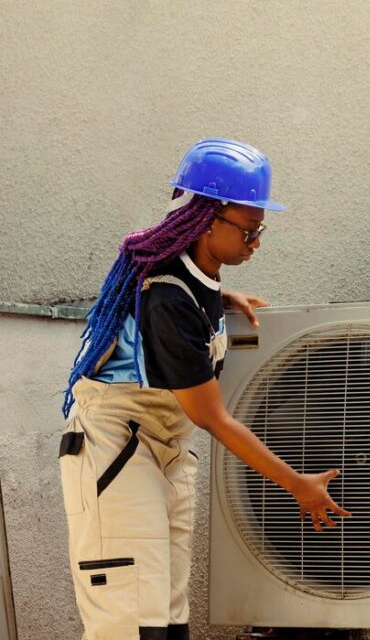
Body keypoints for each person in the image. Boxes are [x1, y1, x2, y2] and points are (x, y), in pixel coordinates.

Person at [58, 139, 351, 639]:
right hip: (116, 449)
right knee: (129, 623)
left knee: (168, 620)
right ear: (209, 219)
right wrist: (296, 484)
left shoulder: (197, 277)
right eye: (249, 230)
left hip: (163, 451)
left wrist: (222, 297)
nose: (255, 243)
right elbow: (212, 417)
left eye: (261, 231)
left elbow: (189, 301)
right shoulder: (169, 297)